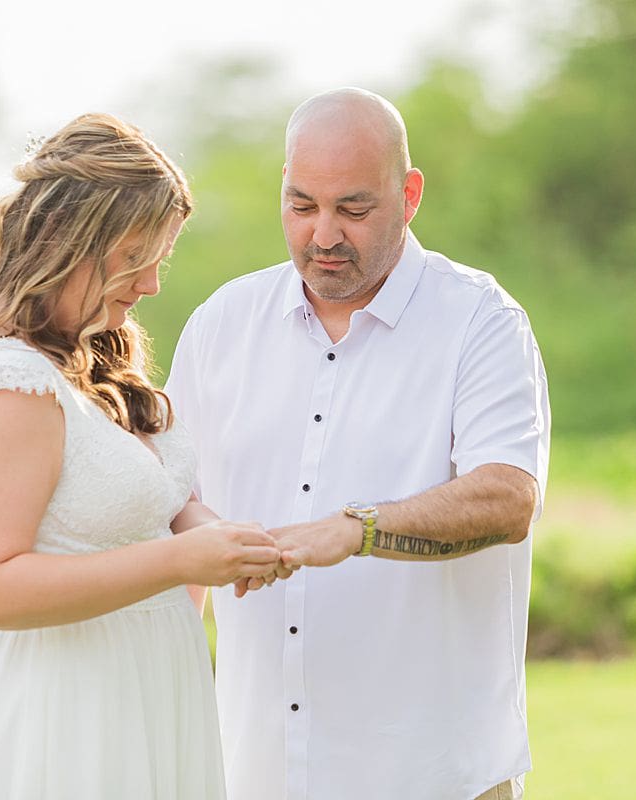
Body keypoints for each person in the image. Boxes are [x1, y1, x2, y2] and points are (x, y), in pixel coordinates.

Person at [164, 88, 551, 800]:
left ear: (408, 195)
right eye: (302, 205)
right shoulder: (220, 325)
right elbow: (173, 508)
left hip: (435, 775)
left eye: (354, 208)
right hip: (256, 771)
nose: (324, 234)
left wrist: (355, 529)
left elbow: (508, 497)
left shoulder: (480, 321)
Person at [0, 113, 278, 799]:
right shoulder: (9, 383)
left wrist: (215, 537)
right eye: (138, 258)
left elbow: (152, 504)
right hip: (66, 711)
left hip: (147, 688)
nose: (151, 287)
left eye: (160, 262)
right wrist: (180, 562)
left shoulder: (96, 359)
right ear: (70, 241)